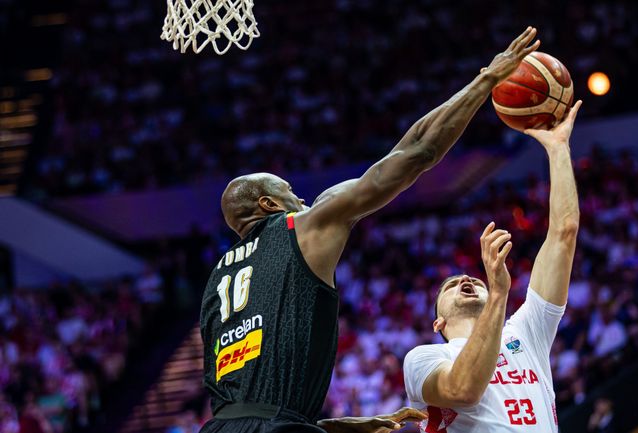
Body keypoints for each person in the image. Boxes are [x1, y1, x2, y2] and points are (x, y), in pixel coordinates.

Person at [198, 27, 543, 433]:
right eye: (291, 192)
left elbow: (249, 405)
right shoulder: (302, 227)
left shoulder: (215, 283)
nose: (303, 200)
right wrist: (487, 79)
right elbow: (416, 151)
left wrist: (343, 427)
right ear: (270, 206)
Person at [403, 98, 583, 432]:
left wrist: (558, 148)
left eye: (474, 280)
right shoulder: (424, 358)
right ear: (438, 322)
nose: (466, 280)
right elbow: (463, 389)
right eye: (451, 285)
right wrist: (498, 292)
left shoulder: (526, 331)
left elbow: (564, 233)